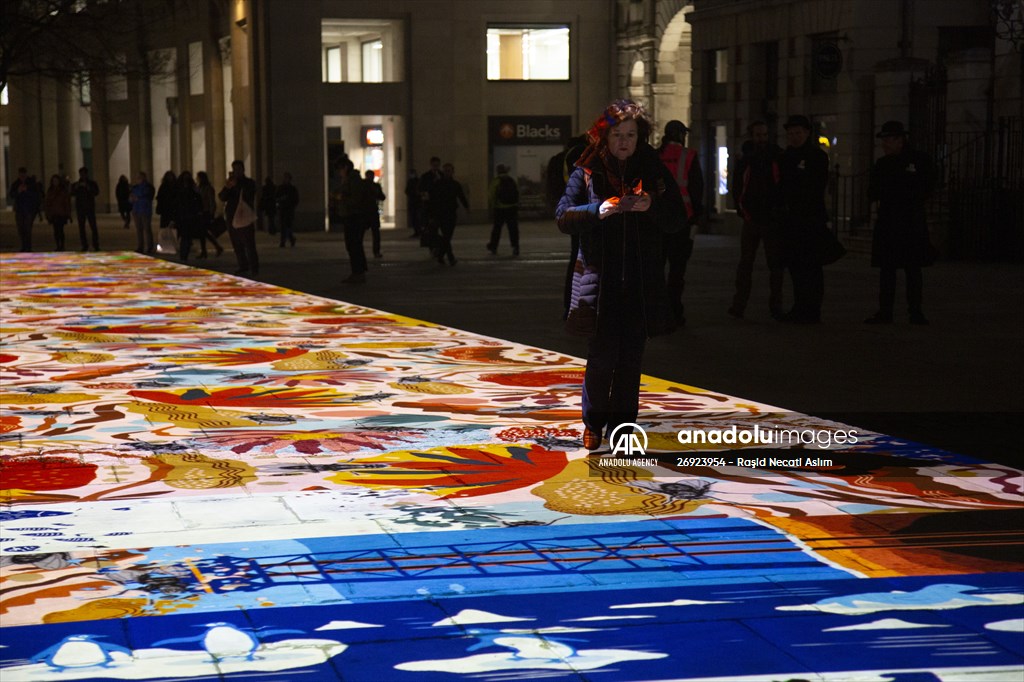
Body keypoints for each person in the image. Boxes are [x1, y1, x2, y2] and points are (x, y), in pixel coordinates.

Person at [556, 99, 685, 451]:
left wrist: (652, 206)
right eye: (617, 135)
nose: (624, 142)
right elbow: (563, 216)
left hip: (641, 282)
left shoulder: (653, 170)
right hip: (600, 281)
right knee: (601, 358)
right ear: (604, 136)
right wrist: (598, 209)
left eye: (631, 135)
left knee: (630, 359)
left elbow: (677, 218)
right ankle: (594, 423)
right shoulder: (587, 169)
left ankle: (624, 428)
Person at [865, 120, 936, 325]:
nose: (885, 144)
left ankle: (915, 311)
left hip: (910, 221)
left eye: (888, 140)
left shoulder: (919, 160)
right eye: (884, 140)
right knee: (887, 270)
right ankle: (885, 311)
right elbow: (873, 191)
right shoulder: (882, 164)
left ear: (900, 140)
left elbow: (926, 186)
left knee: (913, 269)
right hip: (889, 221)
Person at [728, 120, 786, 320]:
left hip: (771, 218)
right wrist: (742, 209)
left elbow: (781, 186)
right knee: (746, 264)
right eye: (758, 135)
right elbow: (737, 186)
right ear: (751, 136)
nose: (761, 139)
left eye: (764, 135)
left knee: (775, 265)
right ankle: (739, 304)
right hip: (752, 218)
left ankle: (775, 305)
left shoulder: (776, 157)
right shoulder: (747, 159)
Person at [778, 114, 831, 323]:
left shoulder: (816, 156)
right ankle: (800, 307)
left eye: (798, 133)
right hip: (791, 220)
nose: (794, 137)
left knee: (812, 266)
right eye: (791, 134)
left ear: (807, 133)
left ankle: (812, 309)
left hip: (810, 219)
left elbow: (814, 185)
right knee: (795, 266)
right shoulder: (785, 156)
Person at [657, 120, 703, 326]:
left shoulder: (655, 157)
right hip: (682, 220)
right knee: (677, 270)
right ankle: (675, 312)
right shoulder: (689, 156)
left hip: (657, 221)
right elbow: (697, 190)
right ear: (682, 135)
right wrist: (697, 217)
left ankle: (655, 312)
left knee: (655, 269)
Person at [219, 160, 259, 276]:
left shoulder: (248, 182)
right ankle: (243, 265)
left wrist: (236, 186)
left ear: (242, 170)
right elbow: (222, 197)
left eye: (238, 169)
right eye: (234, 169)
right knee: (236, 243)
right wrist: (228, 186)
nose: (236, 172)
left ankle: (254, 267)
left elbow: (249, 195)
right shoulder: (231, 183)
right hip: (232, 216)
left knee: (249, 243)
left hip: (244, 215)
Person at [332, 158, 368, 283]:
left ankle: (358, 272)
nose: (339, 173)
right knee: (353, 245)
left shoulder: (354, 180)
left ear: (345, 168)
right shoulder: (349, 180)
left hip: (354, 216)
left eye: (340, 170)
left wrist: (342, 198)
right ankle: (357, 272)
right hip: (351, 216)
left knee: (354, 245)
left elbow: (355, 199)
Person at [430, 162, 469, 266]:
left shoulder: (455, 184)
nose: (448, 173)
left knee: (447, 236)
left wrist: (467, 206)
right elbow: (433, 200)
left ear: (452, 172)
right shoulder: (438, 184)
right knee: (446, 236)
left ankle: (441, 256)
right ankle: (450, 258)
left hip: (451, 213)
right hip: (441, 213)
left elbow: (461, 196)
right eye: (446, 171)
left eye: (449, 171)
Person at [487, 164, 520, 256]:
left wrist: (494, 205)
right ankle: (515, 247)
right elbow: (518, 193)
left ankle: (493, 246)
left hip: (500, 209)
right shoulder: (511, 180)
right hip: (512, 208)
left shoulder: (496, 181)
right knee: (513, 229)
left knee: (497, 229)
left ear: (497, 171)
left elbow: (491, 195)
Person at [174, 171, 204, 262]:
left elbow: (198, 201)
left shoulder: (189, 191)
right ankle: (183, 254)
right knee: (185, 237)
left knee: (185, 237)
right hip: (184, 216)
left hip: (188, 216)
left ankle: (184, 255)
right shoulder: (183, 191)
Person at [9, 167, 41, 252]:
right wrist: (18, 191)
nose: (22, 176)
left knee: (27, 228)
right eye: (21, 175)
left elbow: (36, 195)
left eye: (23, 175)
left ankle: (28, 247)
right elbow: (11, 194)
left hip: (29, 209)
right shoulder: (16, 184)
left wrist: (27, 191)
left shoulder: (31, 183)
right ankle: (23, 246)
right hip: (20, 209)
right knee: (21, 228)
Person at [70, 166, 100, 251]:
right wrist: (76, 188)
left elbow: (96, 192)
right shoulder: (76, 184)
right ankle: (84, 245)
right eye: (81, 174)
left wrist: (88, 187)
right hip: (80, 208)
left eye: (84, 174)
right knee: (81, 228)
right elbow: (72, 193)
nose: (82, 176)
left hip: (90, 208)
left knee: (93, 227)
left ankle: (96, 244)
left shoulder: (92, 183)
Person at [418, 157, 443, 250]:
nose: (436, 167)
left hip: (440, 205)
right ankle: (433, 247)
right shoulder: (426, 176)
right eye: (434, 165)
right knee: (432, 228)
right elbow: (421, 189)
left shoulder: (442, 175)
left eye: (437, 165)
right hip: (430, 206)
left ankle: (438, 246)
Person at [196, 171, 224, 257]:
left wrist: (212, 212)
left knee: (204, 232)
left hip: (206, 212)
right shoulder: (199, 187)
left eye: (198, 177)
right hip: (201, 212)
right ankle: (207, 250)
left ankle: (214, 248)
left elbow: (211, 201)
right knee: (203, 232)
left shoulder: (208, 188)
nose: (197, 179)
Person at [43, 174, 72, 251]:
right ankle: (58, 245)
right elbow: (47, 203)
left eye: (56, 181)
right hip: (54, 213)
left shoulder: (63, 191)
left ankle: (62, 245)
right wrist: (47, 213)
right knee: (56, 230)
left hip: (61, 213)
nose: (55, 182)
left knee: (60, 230)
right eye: (54, 181)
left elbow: (66, 203)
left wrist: (68, 214)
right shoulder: (50, 191)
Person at [129, 171, 156, 254]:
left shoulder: (149, 187)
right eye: (137, 177)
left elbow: (148, 196)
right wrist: (132, 199)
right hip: (136, 210)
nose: (138, 179)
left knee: (147, 229)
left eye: (139, 177)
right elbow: (131, 197)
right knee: (139, 230)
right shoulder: (135, 187)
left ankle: (150, 247)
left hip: (145, 210)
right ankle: (140, 246)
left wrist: (138, 197)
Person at [363, 169, 386, 258]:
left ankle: (376, 251)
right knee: (375, 233)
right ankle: (376, 251)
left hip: (370, 212)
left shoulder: (374, 186)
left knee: (375, 233)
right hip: (368, 212)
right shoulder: (372, 186)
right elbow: (382, 197)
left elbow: (382, 197)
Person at [275, 171, 299, 248]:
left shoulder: (292, 189)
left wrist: (292, 205)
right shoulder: (280, 188)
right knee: (283, 226)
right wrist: (279, 202)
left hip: (289, 209)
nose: (286, 180)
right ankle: (283, 241)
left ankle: (291, 239)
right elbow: (276, 197)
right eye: (285, 178)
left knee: (288, 226)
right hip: (282, 209)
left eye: (287, 178)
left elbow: (296, 199)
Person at [404, 169, 421, 238]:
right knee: (414, 218)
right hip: (412, 202)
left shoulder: (418, 181)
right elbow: (407, 191)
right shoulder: (410, 181)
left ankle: (419, 231)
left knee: (418, 217)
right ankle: (417, 231)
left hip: (418, 202)